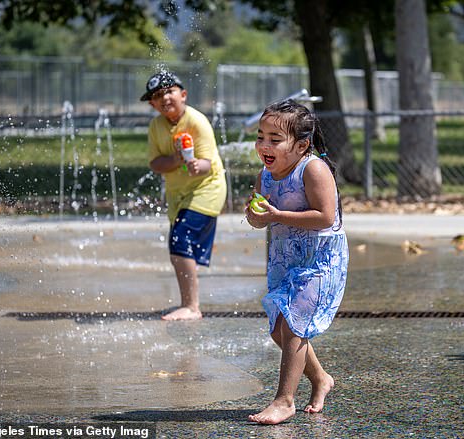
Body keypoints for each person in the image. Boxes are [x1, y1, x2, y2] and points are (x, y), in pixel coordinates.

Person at [245, 99, 348, 425]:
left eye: (275, 139)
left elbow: (325, 216)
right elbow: (262, 221)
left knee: (293, 326)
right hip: (286, 259)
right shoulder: (266, 174)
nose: (264, 145)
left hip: (320, 261)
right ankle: (320, 379)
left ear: (302, 145)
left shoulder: (312, 168)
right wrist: (256, 216)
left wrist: (277, 215)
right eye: (261, 136)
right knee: (279, 329)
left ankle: (284, 401)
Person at [142, 70, 227, 321]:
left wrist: (194, 165)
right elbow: (156, 164)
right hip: (178, 195)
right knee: (182, 245)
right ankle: (190, 304)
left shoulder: (197, 121)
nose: (165, 98)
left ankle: (191, 307)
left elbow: (208, 165)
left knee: (180, 239)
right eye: (158, 95)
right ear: (152, 104)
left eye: (169, 91)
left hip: (206, 189)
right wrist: (177, 159)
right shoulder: (155, 126)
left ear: (183, 94)